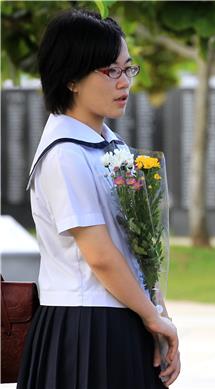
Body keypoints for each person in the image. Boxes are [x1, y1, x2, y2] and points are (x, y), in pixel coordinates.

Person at [18, 8, 180, 389]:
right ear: (72, 78)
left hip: (125, 318)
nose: (124, 82)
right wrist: (153, 317)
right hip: (85, 327)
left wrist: (158, 313)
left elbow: (138, 249)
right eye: (110, 71)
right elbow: (101, 256)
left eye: (128, 69)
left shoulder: (113, 147)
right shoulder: (64, 155)